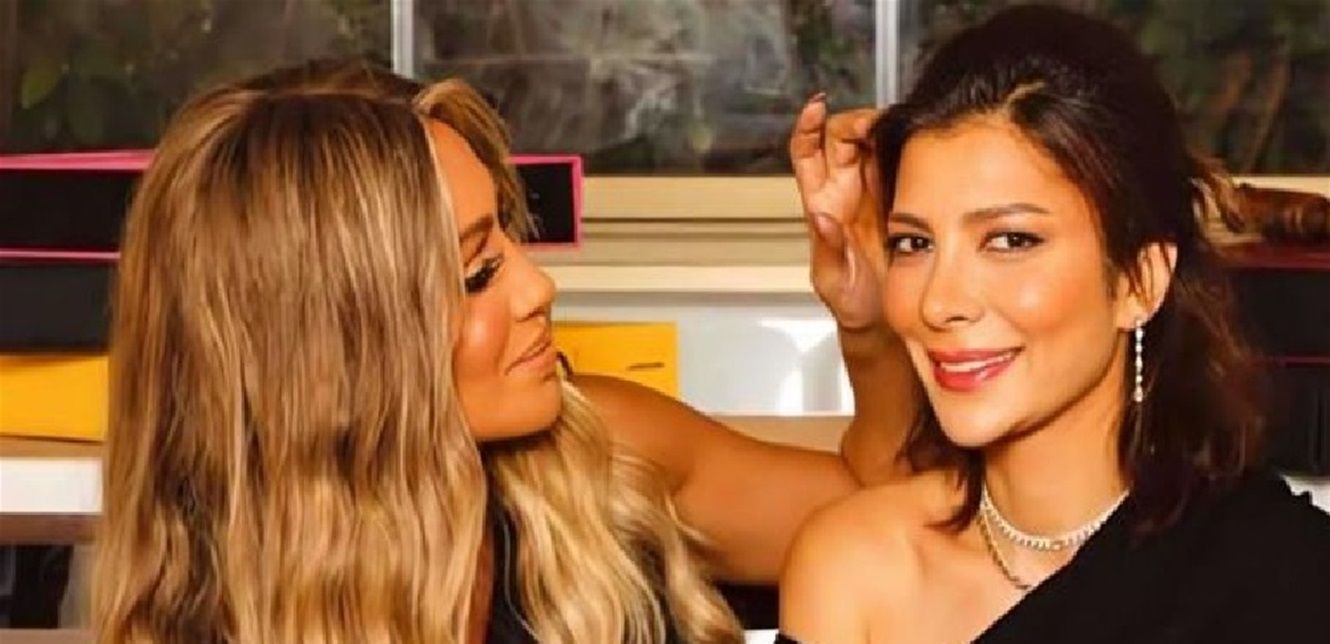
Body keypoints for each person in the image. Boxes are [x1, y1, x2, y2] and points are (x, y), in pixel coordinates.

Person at [93, 61, 914, 643]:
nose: (537, 288)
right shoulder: (208, 616)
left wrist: (869, 314)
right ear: (340, 350)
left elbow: (897, 525)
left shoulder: (601, 451)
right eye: (479, 272)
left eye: (510, 243)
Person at [779, 6, 1330, 643]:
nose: (938, 302)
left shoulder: (1285, 580)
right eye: (914, 243)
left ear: (1139, 281)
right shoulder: (855, 570)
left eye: (1010, 240)